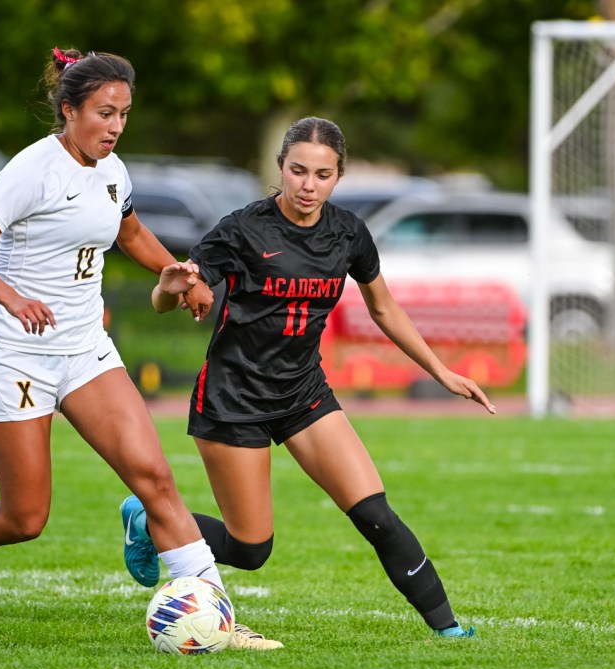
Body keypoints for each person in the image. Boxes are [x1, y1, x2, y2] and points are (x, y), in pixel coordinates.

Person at [0, 47, 276, 650]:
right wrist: (13, 298)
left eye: (123, 113)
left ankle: (217, 618)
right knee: (25, 517)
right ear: (69, 110)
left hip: (84, 349)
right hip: (14, 355)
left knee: (154, 477)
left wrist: (181, 275)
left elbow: (130, 232)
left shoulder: (113, 169)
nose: (116, 126)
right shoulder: (31, 170)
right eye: (104, 112)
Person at [142, 116, 496, 641]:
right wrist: (171, 287)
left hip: (304, 393)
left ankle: (449, 631)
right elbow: (169, 299)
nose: (309, 185)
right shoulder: (243, 228)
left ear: (338, 176)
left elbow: (385, 309)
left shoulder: (349, 232)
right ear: (280, 169)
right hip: (233, 398)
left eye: (323, 175)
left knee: (375, 513)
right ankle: (149, 520)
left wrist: (441, 371)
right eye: (298, 171)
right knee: (251, 549)